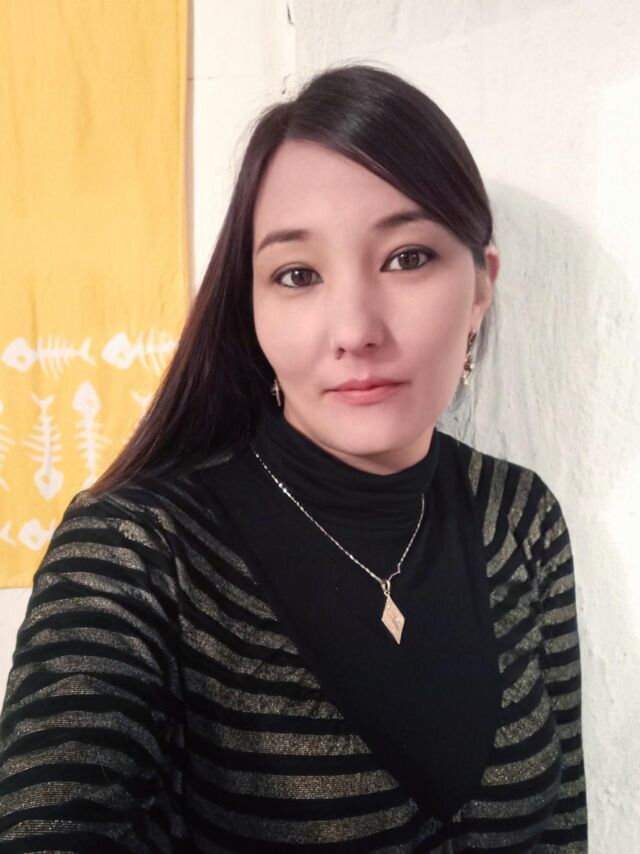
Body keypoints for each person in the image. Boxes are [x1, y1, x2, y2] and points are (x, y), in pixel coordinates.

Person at [0, 64, 587, 852]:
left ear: (480, 287)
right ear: (251, 305)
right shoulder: (134, 550)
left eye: (407, 257)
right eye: (298, 274)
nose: (355, 330)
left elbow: (564, 830)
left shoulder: (521, 518)